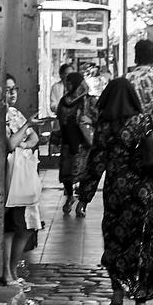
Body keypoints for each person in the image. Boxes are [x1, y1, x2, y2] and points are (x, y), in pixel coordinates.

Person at [77, 77, 153, 305]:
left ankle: (117, 294)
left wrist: (85, 196)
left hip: (116, 195)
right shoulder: (143, 122)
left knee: (116, 243)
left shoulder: (104, 127)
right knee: (143, 246)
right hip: (144, 195)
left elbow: (95, 164)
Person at [3, 74, 41, 286]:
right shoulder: (2, 115)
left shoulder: (15, 113)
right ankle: (8, 273)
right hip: (9, 174)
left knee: (25, 225)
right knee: (11, 226)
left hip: (22, 170)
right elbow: (9, 143)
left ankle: (13, 271)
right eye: (8, 89)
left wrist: (24, 144)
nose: (13, 93)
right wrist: (25, 129)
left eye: (14, 88)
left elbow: (34, 138)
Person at [56, 71, 97, 216]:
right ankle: (70, 197)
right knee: (66, 174)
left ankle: (82, 204)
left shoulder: (89, 101)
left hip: (83, 143)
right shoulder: (64, 100)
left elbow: (100, 117)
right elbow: (59, 119)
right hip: (67, 141)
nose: (68, 85)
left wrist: (91, 120)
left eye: (70, 82)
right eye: (67, 82)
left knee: (84, 174)